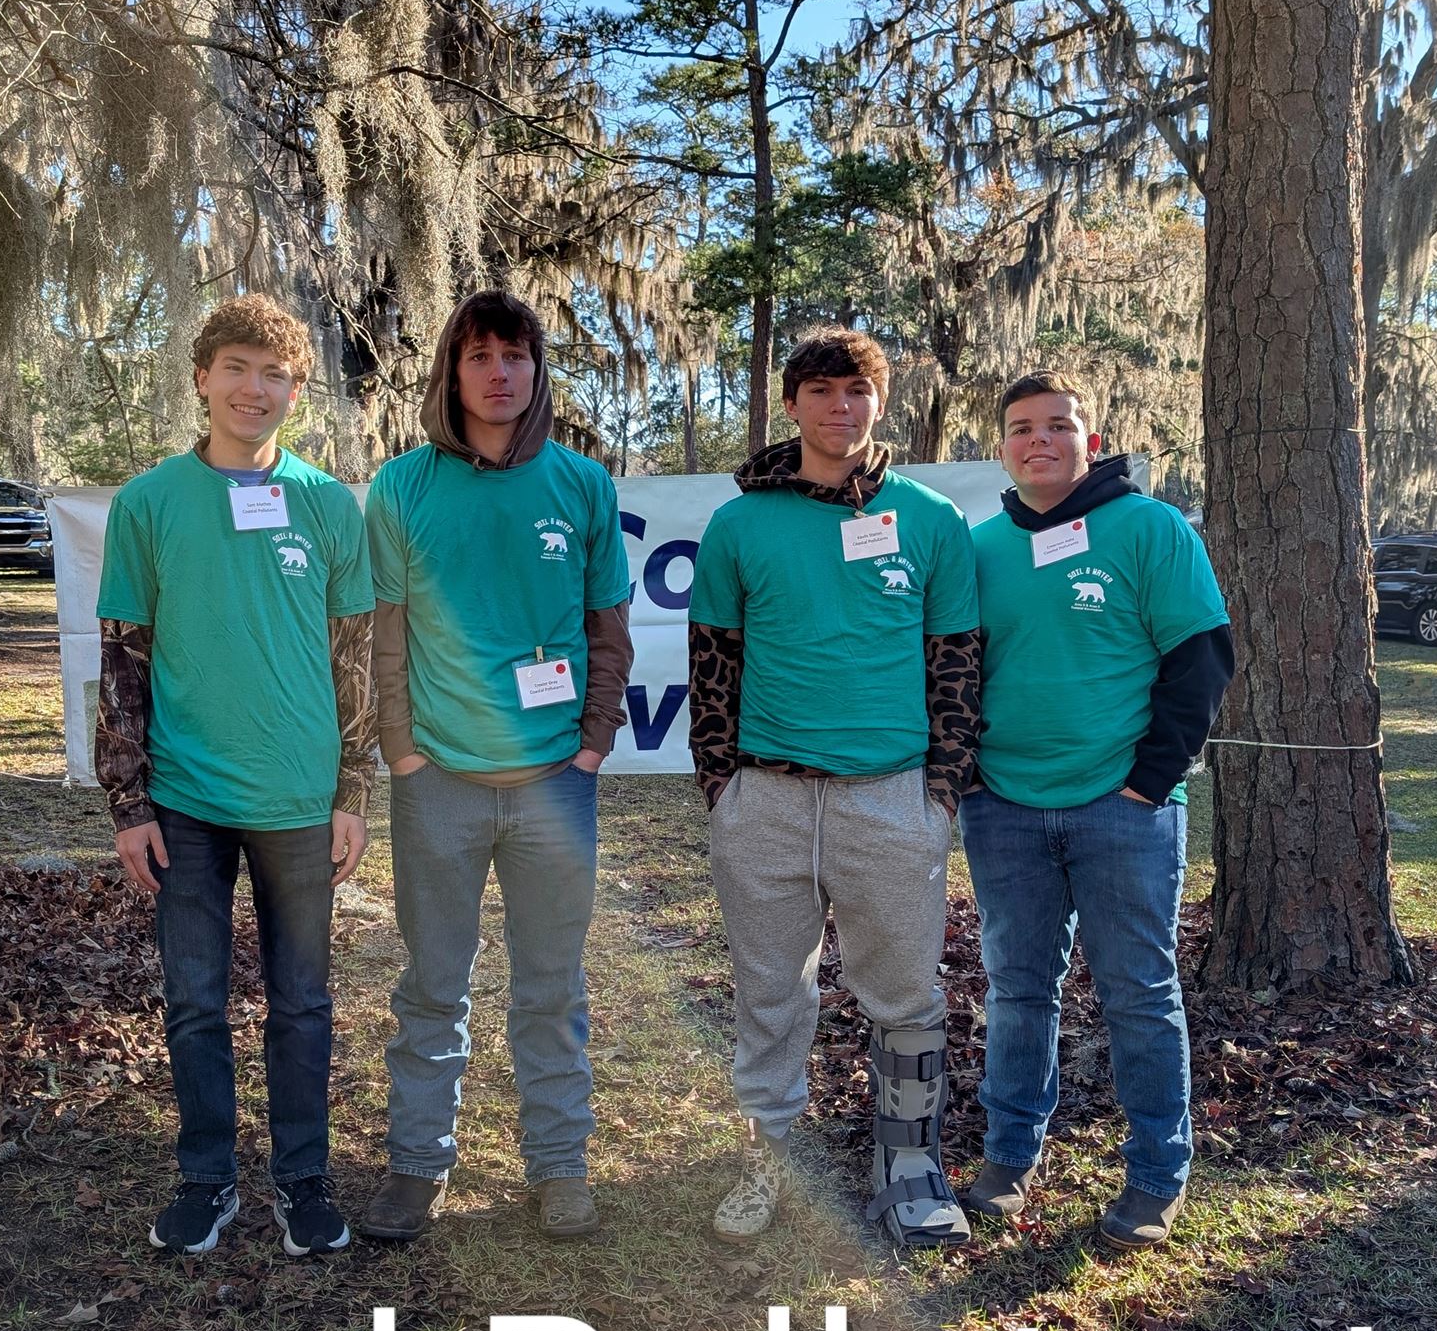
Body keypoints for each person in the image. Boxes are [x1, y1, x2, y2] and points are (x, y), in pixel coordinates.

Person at [688, 329, 983, 1249]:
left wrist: (941, 788)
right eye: (820, 390)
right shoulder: (741, 523)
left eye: (857, 390)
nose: (839, 407)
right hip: (767, 803)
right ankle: (765, 1159)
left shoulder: (929, 519)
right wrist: (721, 784)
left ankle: (910, 1166)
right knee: (770, 989)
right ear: (793, 405)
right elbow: (713, 662)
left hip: (891, 800)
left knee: (903, 992)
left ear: (879, 402)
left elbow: (957, 663)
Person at [95, 295, 375, 1259]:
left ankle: (303, 1179)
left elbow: (355, 658)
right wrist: (129, 802)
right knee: (195, 999)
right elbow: (123, 655)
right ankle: (206, 1178)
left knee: (303, 1000)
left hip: (300, 800)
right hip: (186, 800)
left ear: (295, 390)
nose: (256, 390)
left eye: (277, 374)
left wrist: (352, 793)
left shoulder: (331, 505)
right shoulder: (148, 503)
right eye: (239, 369)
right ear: (203, 377)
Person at [359, 289, 633, 1242]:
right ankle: (416, 1164)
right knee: (433, 982)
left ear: (536, 368)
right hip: (439, 785)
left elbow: (608, 630)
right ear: (453, 369)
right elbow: (385, 636)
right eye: (479, 356)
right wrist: (402, 749)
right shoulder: (402, 488)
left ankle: (558, 1164)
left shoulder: (583, 486)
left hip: (556, 781)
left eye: (515, 355)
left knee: (551, 986)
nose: (499, 373)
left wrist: (593, 742)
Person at [960, 373, 1233, 1252]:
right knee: (1018, 991)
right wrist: (970, 775)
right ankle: (1008, 1158)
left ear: (1091, 436)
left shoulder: (1148, 527)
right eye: (1020, 428)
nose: (1038, 440)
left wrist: (1150, 781)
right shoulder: (981, 546)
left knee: (1140, 996)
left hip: (1124, 809)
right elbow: (956, 671)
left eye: (1057, 425)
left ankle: (1157, 1173)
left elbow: (1201, 658)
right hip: (1003, 808)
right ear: (1002, 445)